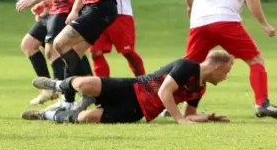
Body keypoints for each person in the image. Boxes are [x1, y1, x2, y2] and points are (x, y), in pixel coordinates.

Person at [22, 50, 233, 125]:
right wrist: (179, 119)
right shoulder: (187, 66)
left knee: (85, 119)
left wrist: (205, 117)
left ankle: (45, 116)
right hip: (132, 88)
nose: (226, 77)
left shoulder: (200, 89)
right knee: (87, 82)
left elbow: (189, 114)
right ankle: (57, 84)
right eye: (226, 71)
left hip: (136, 111)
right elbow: (164, 92)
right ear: (216, 67)